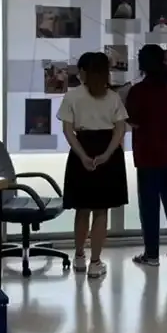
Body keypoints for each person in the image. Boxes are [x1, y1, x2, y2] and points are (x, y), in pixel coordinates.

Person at [57, 52, 128, 279]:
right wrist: (107, 154)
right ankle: (95, 263)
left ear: (83, 72)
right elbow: (120, 129)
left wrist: (82, 155)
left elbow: (68, 131)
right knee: (101, 210)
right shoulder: (113, 97)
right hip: (108, 152)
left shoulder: (72, 96)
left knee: (82, 208)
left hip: (82, 148)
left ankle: (79, 257)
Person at [125, 45, 167, 266]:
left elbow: (133, 120)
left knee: (149, 207)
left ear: (142, 64)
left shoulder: (138, 91)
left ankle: (151, 255)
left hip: (147, 156)